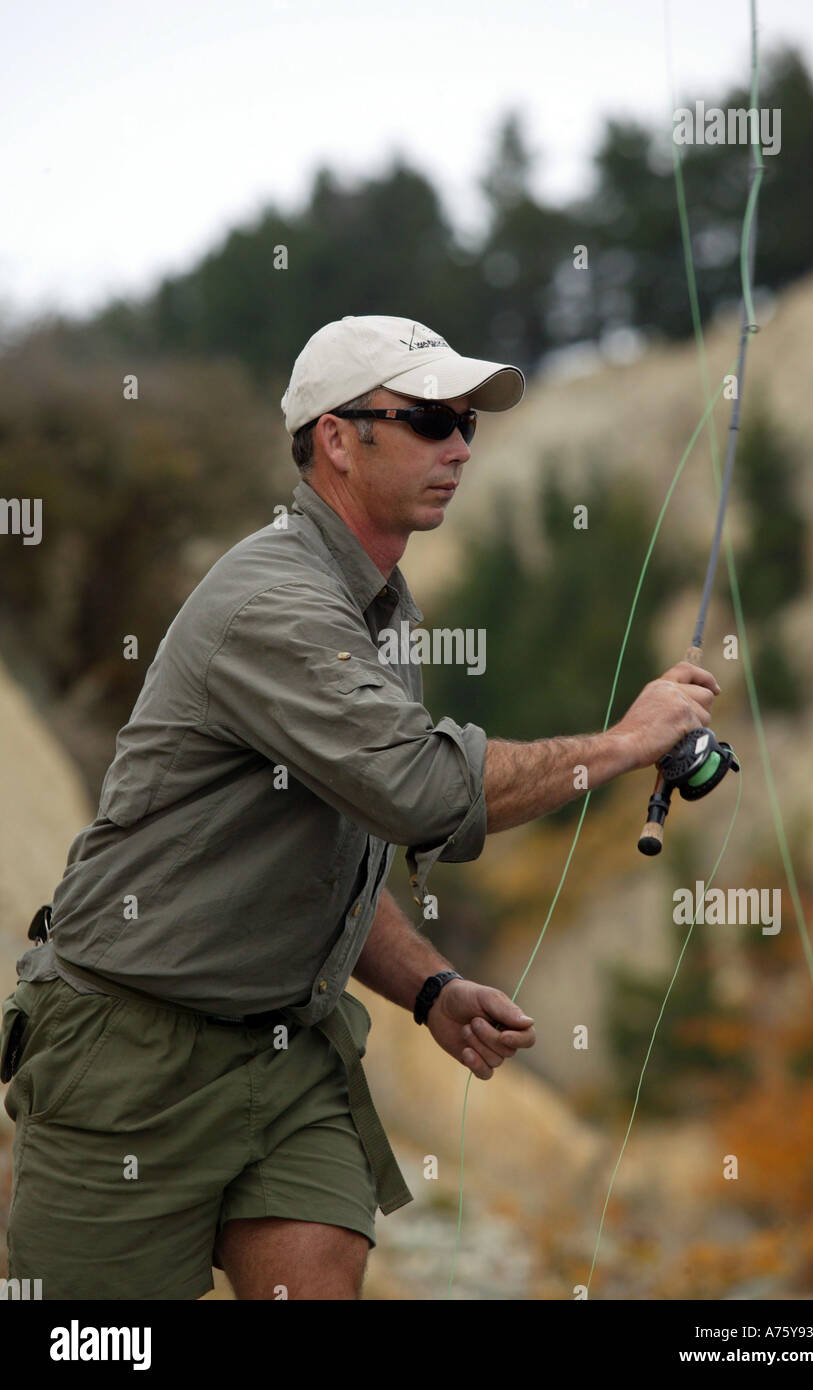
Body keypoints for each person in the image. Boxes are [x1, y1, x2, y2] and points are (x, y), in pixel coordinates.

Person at [1, 314, 719, 1301]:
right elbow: (423, 790)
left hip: (288, 1046)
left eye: (466, 420)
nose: (461, 443)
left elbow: (333, 849)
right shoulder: (277, 605)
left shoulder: (376, 604)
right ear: (337, 438)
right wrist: (626, 742)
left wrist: (429, 987)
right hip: (131, 1053)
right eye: (429, 418)